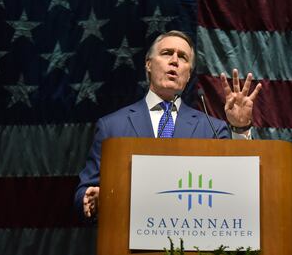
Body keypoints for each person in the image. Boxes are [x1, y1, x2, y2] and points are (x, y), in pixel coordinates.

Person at [75, 30, 262, 219]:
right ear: (148, 64)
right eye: (166, 53)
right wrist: (95, 200)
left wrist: (240, 127)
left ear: (188, 74)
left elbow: (237, 184)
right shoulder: (112, 126)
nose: (175, 61)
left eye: (183, 57)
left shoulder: (211, 128)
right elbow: (85, 191)